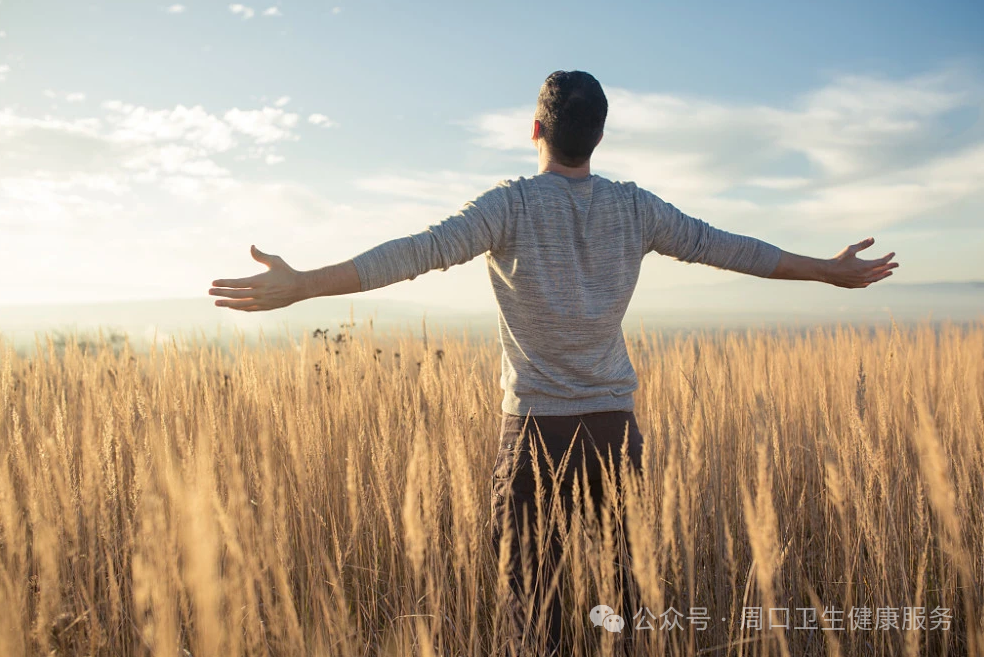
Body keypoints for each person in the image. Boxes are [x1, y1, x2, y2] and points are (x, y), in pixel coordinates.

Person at [210, 70, 899, 655]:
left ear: (535, 131)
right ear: (597, 138)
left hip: (536, 434)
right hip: (613, 431)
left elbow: (412, 253)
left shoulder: (508, 206)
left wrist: (304, 284)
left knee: (533, 617)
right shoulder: (636, 209)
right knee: (619, 611)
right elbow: (729, 247)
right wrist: (826, 271)